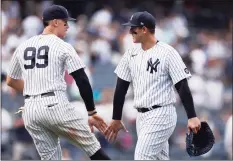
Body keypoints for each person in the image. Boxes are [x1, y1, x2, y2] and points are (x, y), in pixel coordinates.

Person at [6, 5, 110, 160]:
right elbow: (81, 79)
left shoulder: (23, 46)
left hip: (31, 111)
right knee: (94, 149)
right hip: (55, 106)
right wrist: (92, 112)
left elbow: (11, 81)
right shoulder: (62, 46)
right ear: (55, 22)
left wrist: (34, 92)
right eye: (65, 22)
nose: (68, 26)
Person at [104, 11, 201, 160]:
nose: (130, 31)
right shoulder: (130, 54)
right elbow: (121, 88)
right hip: (141, 117)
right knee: (159, 158)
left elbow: (182, 85)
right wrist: (116, 118)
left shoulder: (167, 52)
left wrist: (192, 116)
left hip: (162, 113)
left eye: (133, 28)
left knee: (142, 157)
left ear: (144, 29)